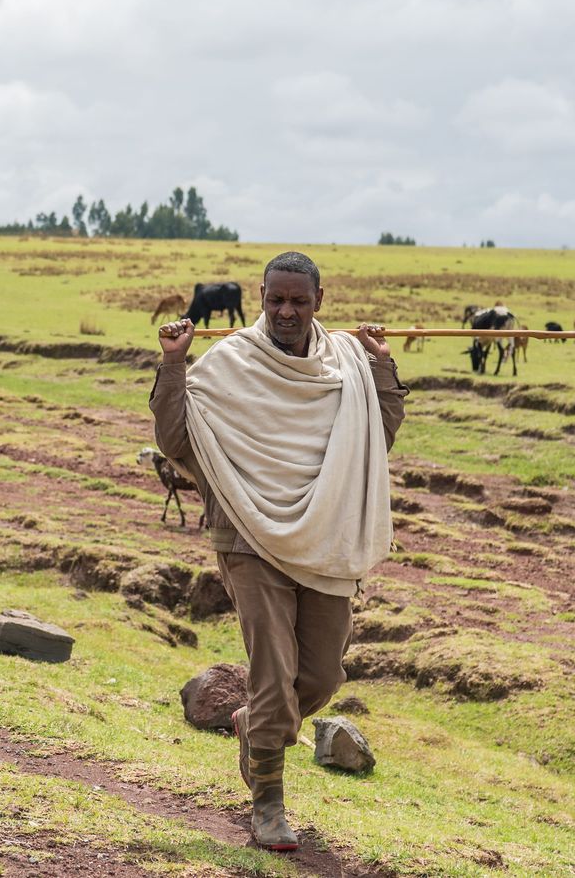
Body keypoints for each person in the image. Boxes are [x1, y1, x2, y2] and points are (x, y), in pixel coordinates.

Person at [149, 251, 409, 851]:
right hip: (246, 531)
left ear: (320, 299)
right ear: (261, 298)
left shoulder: (344, 362)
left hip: (324, 536)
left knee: (319, 674)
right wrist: (173, 364)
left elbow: (380, 432)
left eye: (298, 300)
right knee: (272, 670)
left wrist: (382, 364)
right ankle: (268, 805)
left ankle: (252, 725)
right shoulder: (230, 361)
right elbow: (175, 436)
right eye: (275, 300)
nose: (285, 311)